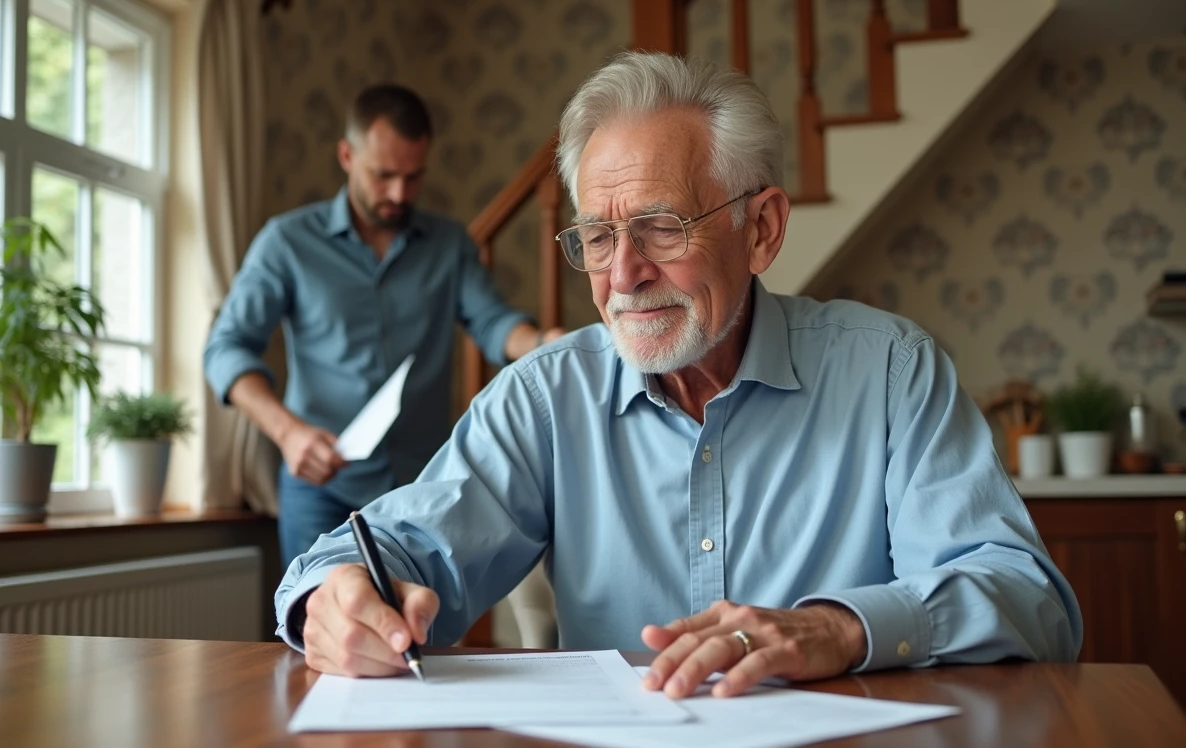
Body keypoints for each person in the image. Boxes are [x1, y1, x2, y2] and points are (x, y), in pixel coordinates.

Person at [274, 53, 1083, 698]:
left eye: (661, 228)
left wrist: (841, 629)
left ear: (760, 230)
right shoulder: (545, 397)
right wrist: (333, 598)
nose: (622, 274)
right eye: (596, 237)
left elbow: (1028, 598)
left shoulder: (893, 372)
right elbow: (390, 550)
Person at [204, 85, 561, 567]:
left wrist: (540, 342)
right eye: (384, 175)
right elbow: (227, 348)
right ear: (347, 155)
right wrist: (287, 433)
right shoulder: (287, 242)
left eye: (413, 178)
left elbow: (493, 322)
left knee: (421, 631)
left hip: (424, 487)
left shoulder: (449, 244)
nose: (398, 193)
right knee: (321, 632)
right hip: (321, 490)